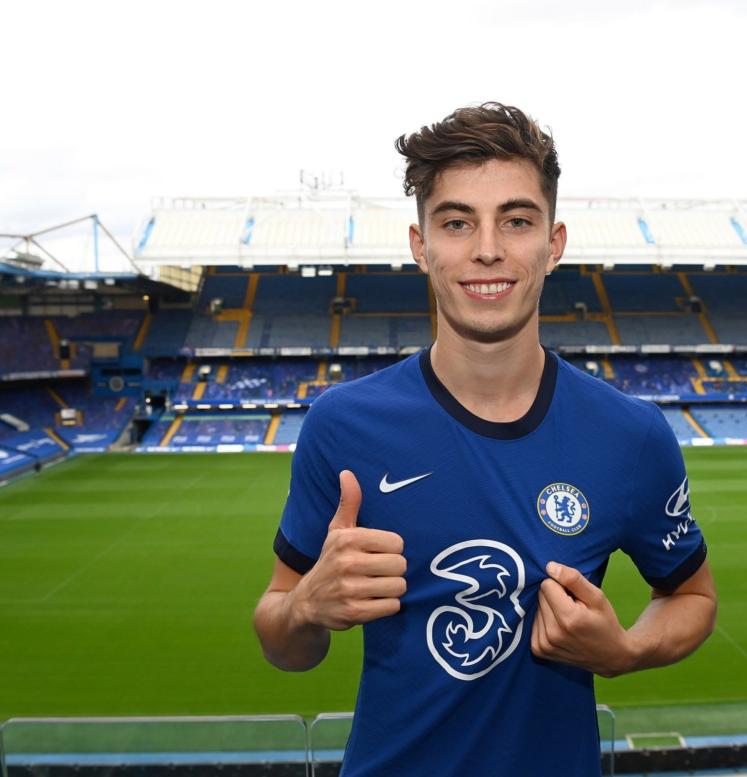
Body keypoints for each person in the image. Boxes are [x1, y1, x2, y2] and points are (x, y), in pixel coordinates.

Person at [253, 102, 717, 776]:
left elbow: (693, 597)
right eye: (457, 221)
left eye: (517, 220)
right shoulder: (342, 425)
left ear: (553, 243)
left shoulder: (631, 436)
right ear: (421, 245)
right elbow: (281, 641)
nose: (488, 249)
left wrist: (624, 650)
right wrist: (305, 607)